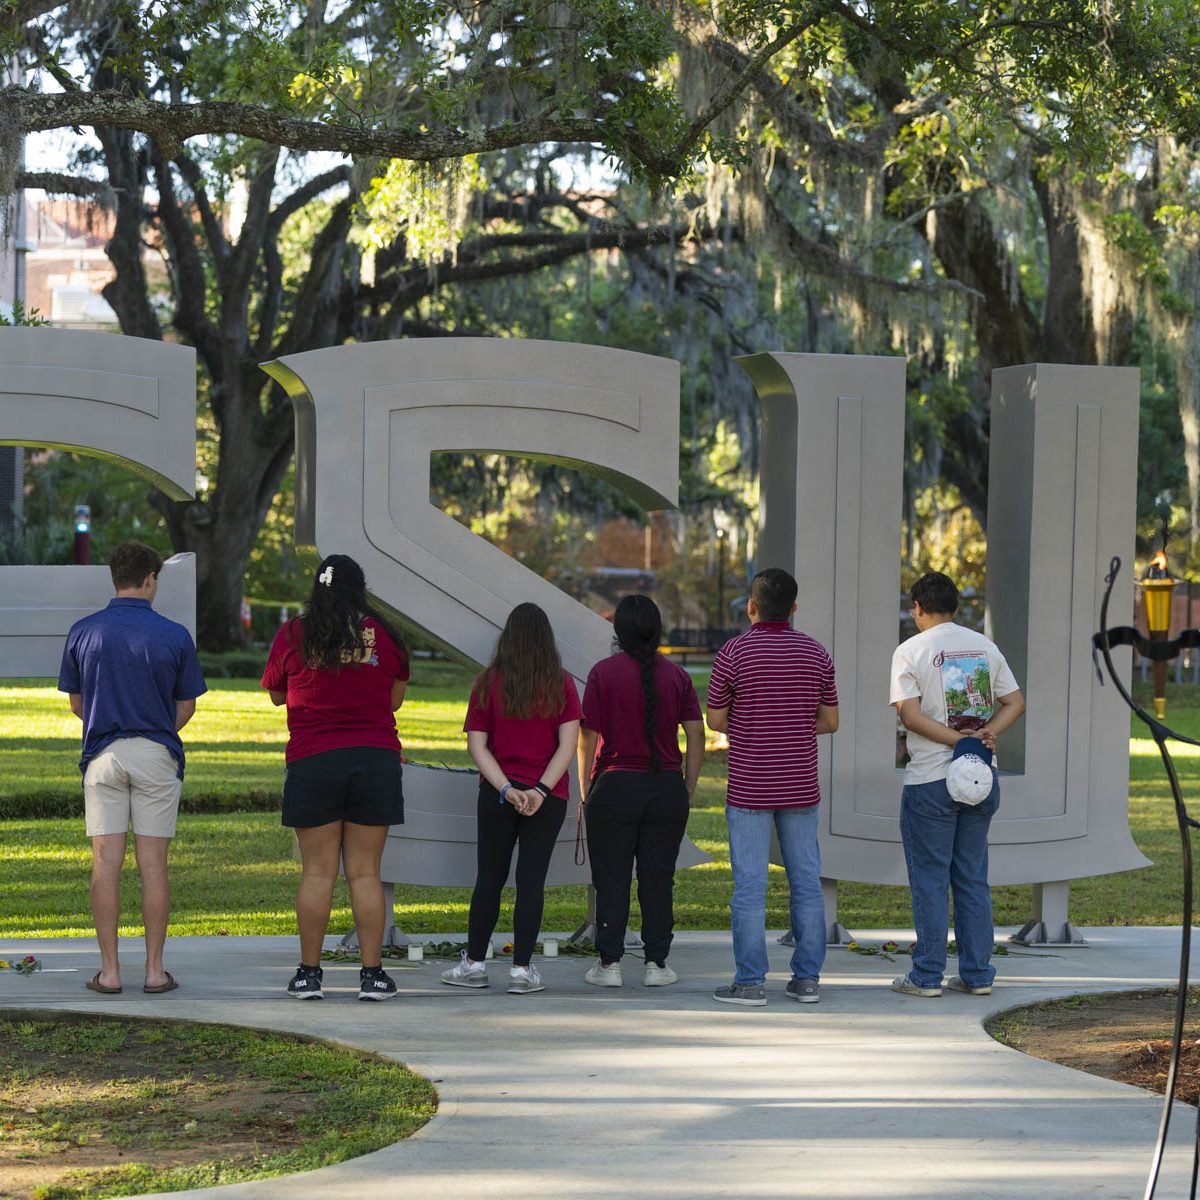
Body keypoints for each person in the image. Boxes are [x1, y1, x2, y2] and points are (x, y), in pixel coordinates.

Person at [57, 540, 207, 996]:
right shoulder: (174, 635)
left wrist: (110, 721)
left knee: (105, 864)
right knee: (153, 866)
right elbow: (187, 704)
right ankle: (155, 971)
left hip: (103, 755)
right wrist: (158, 727)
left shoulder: (84, 631)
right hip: (156, 754)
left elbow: (77, 703)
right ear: (149, 579)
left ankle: (109, 972)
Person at [261, 554, 409, 1002]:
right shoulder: (383, 634)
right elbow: (395, 700)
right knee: (365, 874)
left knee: (318, 873)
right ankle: (373, 976)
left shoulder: (294, 633)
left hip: (313, 761)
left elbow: (275, 694)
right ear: (359, 589)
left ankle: (309, 975)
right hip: (375, 760)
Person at [706, 567, 838, 1006]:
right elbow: (830, 721)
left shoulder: (733, 653)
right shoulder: (816, 654)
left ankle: (749, 983)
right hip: (800, 785)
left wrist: (755, 723)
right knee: (805, 882)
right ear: (794, 608)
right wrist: (794, 725)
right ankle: (806, 981)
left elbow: (716, 720)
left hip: (749, 787)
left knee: (749, 886)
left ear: (751, 606)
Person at [890, 571, 1024, 998]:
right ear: (956, 606)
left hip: (931, 778)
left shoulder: (910, 650)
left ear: (917, 608)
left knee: (930, 878)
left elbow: (910, 717)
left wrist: (958, 739)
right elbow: (1015, 702)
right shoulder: (984, 647)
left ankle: (926, 976)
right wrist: (985, 736)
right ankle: (977, 974)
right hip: (981, 777)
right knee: (971, 877)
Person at [442, 602, 581, 995]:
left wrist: (506, 788)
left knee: (489, 877)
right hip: (547, 797)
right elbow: (568, 745)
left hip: (498, 794)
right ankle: (521, 970)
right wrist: (539, 790)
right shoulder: (562, 683)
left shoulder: (488, 683)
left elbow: (477, 746)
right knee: (530, 881)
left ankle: (473, 964)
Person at [578, 595, 704, 988]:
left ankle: (609, 964)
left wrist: (586, 788)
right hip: (665, 787)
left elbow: (587, 735)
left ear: (618, 631)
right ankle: (656, 964)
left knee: (611, 878)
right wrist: (688, 785)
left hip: (614, 786)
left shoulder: (603, 672)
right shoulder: (677, 676)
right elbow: (697, 733)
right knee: (658, 879)